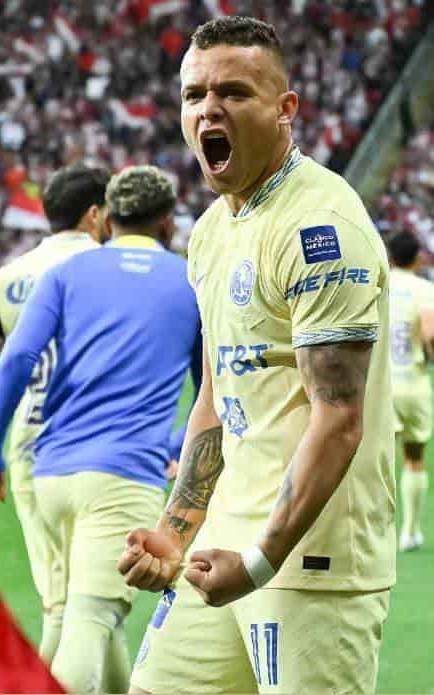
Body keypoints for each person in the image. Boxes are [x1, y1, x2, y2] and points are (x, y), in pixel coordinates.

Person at [118, 17, 395, 695]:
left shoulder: (322, 226)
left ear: (285, 109)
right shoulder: (213, 230)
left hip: (308, 563)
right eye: (194, 95)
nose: (208, 108)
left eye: (234, 92)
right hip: (224, 542)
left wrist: (264, 559)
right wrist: (176, 529)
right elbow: (218, 393)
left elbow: (338, 419)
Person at [0, 165, 201, 693]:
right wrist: (174, 445)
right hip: (123, 475)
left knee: (104, 619)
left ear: (108, 218)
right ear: (168, 222)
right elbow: (209, 393)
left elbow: (17, 358)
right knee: (92, 618)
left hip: (51, 472)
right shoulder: (190, 280)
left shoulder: (67, 273)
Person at [0, 163, 109, 664]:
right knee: (94, 609)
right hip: (101, 446)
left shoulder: (5, 280)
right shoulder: (115, 269)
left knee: (60, 605)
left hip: (30, 450)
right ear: (95, 214)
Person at [387, 231, 434, 552]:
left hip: (383, 387)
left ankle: (379, 530)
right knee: (414, 457)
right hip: (414, 383)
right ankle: (409, 531)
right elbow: (430, 332)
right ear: (417, 257)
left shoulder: (380, 286)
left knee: (379, 461)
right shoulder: (424, 289)